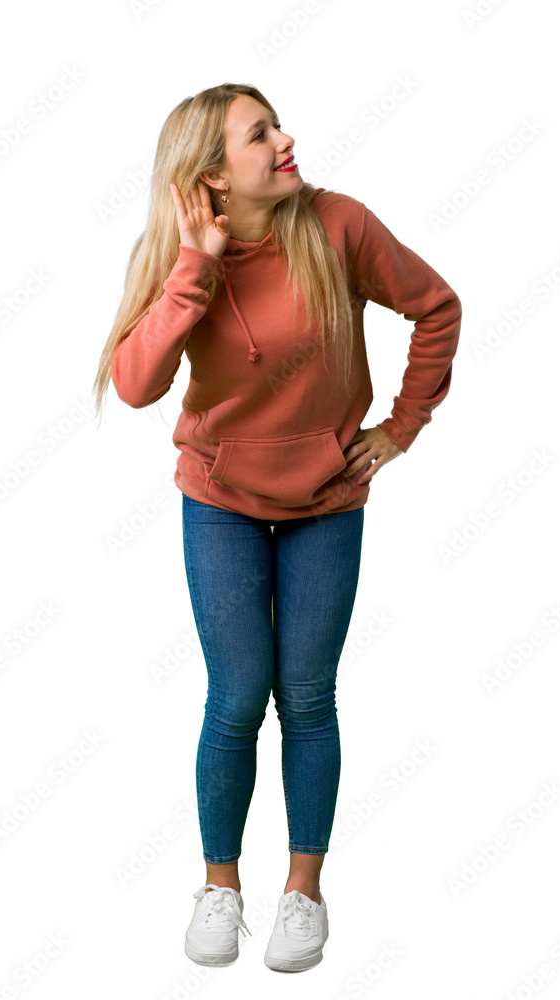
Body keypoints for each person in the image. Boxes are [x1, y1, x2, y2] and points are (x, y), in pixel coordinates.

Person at [92, 82, 462, 973]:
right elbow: (136, 385)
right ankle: (221, 887)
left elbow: (436, 307)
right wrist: (197, 266)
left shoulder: (339, 227)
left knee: (305, 696)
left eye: (278, 124)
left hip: (327, 497)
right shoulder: (187, 255)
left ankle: (304, 892)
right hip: (219, 497)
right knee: (235, 696)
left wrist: (400, 429)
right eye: (261, 136)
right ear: (212, 178)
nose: (287, 140)